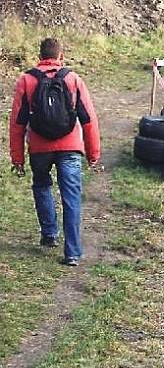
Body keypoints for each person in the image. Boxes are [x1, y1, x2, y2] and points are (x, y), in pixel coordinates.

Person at [8, 38, 102, 266]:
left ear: (39, 56)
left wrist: (17, 158)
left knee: (41, 186)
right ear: (61, 56)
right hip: (70, 146)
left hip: (39, 148)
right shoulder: (73, 79)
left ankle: (49, 234)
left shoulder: (27, 80)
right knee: (71, 196)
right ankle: (72, 253)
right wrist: (93, 154)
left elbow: (17, 123)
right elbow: (89, 119)